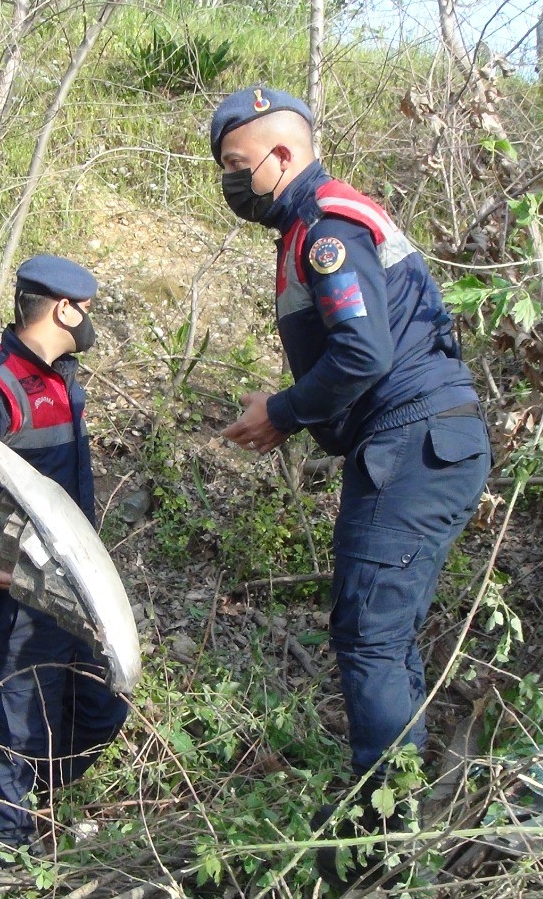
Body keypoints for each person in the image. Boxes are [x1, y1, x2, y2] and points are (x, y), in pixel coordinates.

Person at [209, 86, 491, 882]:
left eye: (238, 167)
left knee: (368, 635)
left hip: (413, 444)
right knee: (384, 633)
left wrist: (283, 413)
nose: (232, 183)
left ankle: (380, 843)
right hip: (415, 443)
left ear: (283, 156)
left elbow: (364, 354)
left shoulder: (325, 227)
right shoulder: (311, 224)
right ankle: (395, 805)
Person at [0, 254, 128, 857]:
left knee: (100, 710)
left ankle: (29, 799)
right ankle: (2, 851)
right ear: (63, 308)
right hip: (17, 600)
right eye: (85, 310)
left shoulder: (62, 381)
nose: (89, 320)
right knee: (20, 732)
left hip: (73, 593)